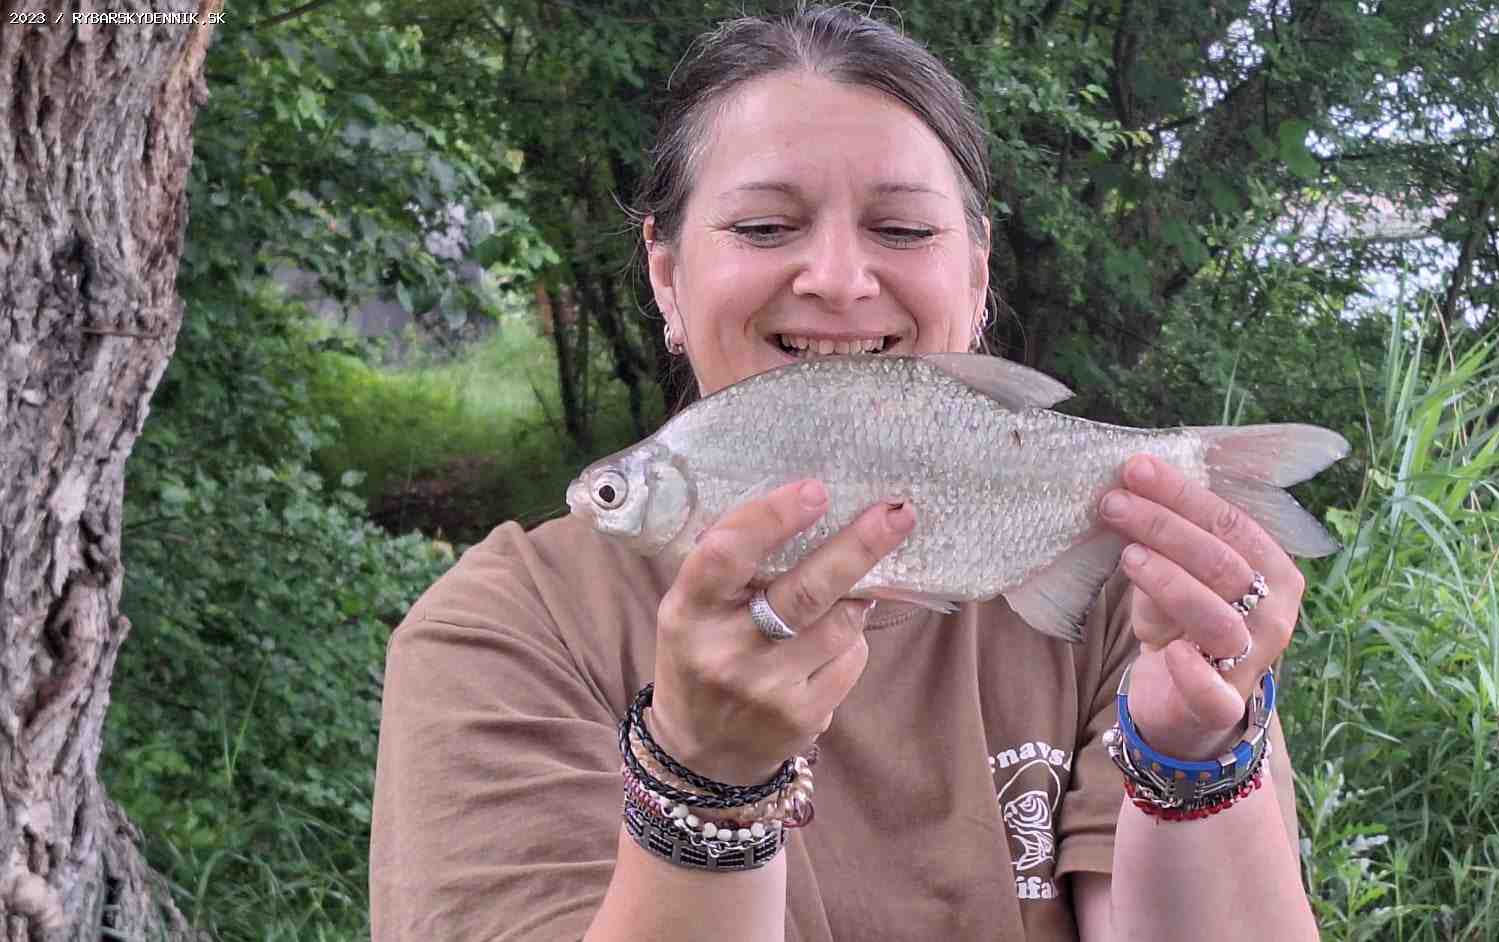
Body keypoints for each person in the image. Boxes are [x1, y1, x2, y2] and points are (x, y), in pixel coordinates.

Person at [368, 6, 1321, 939]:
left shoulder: (1131, 587)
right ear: (664, 276)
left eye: (902, 231)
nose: (837, 279)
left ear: (977, 279)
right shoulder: (506, 629)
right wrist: (702, 785)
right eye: (763, 226)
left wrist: (1192, 760)